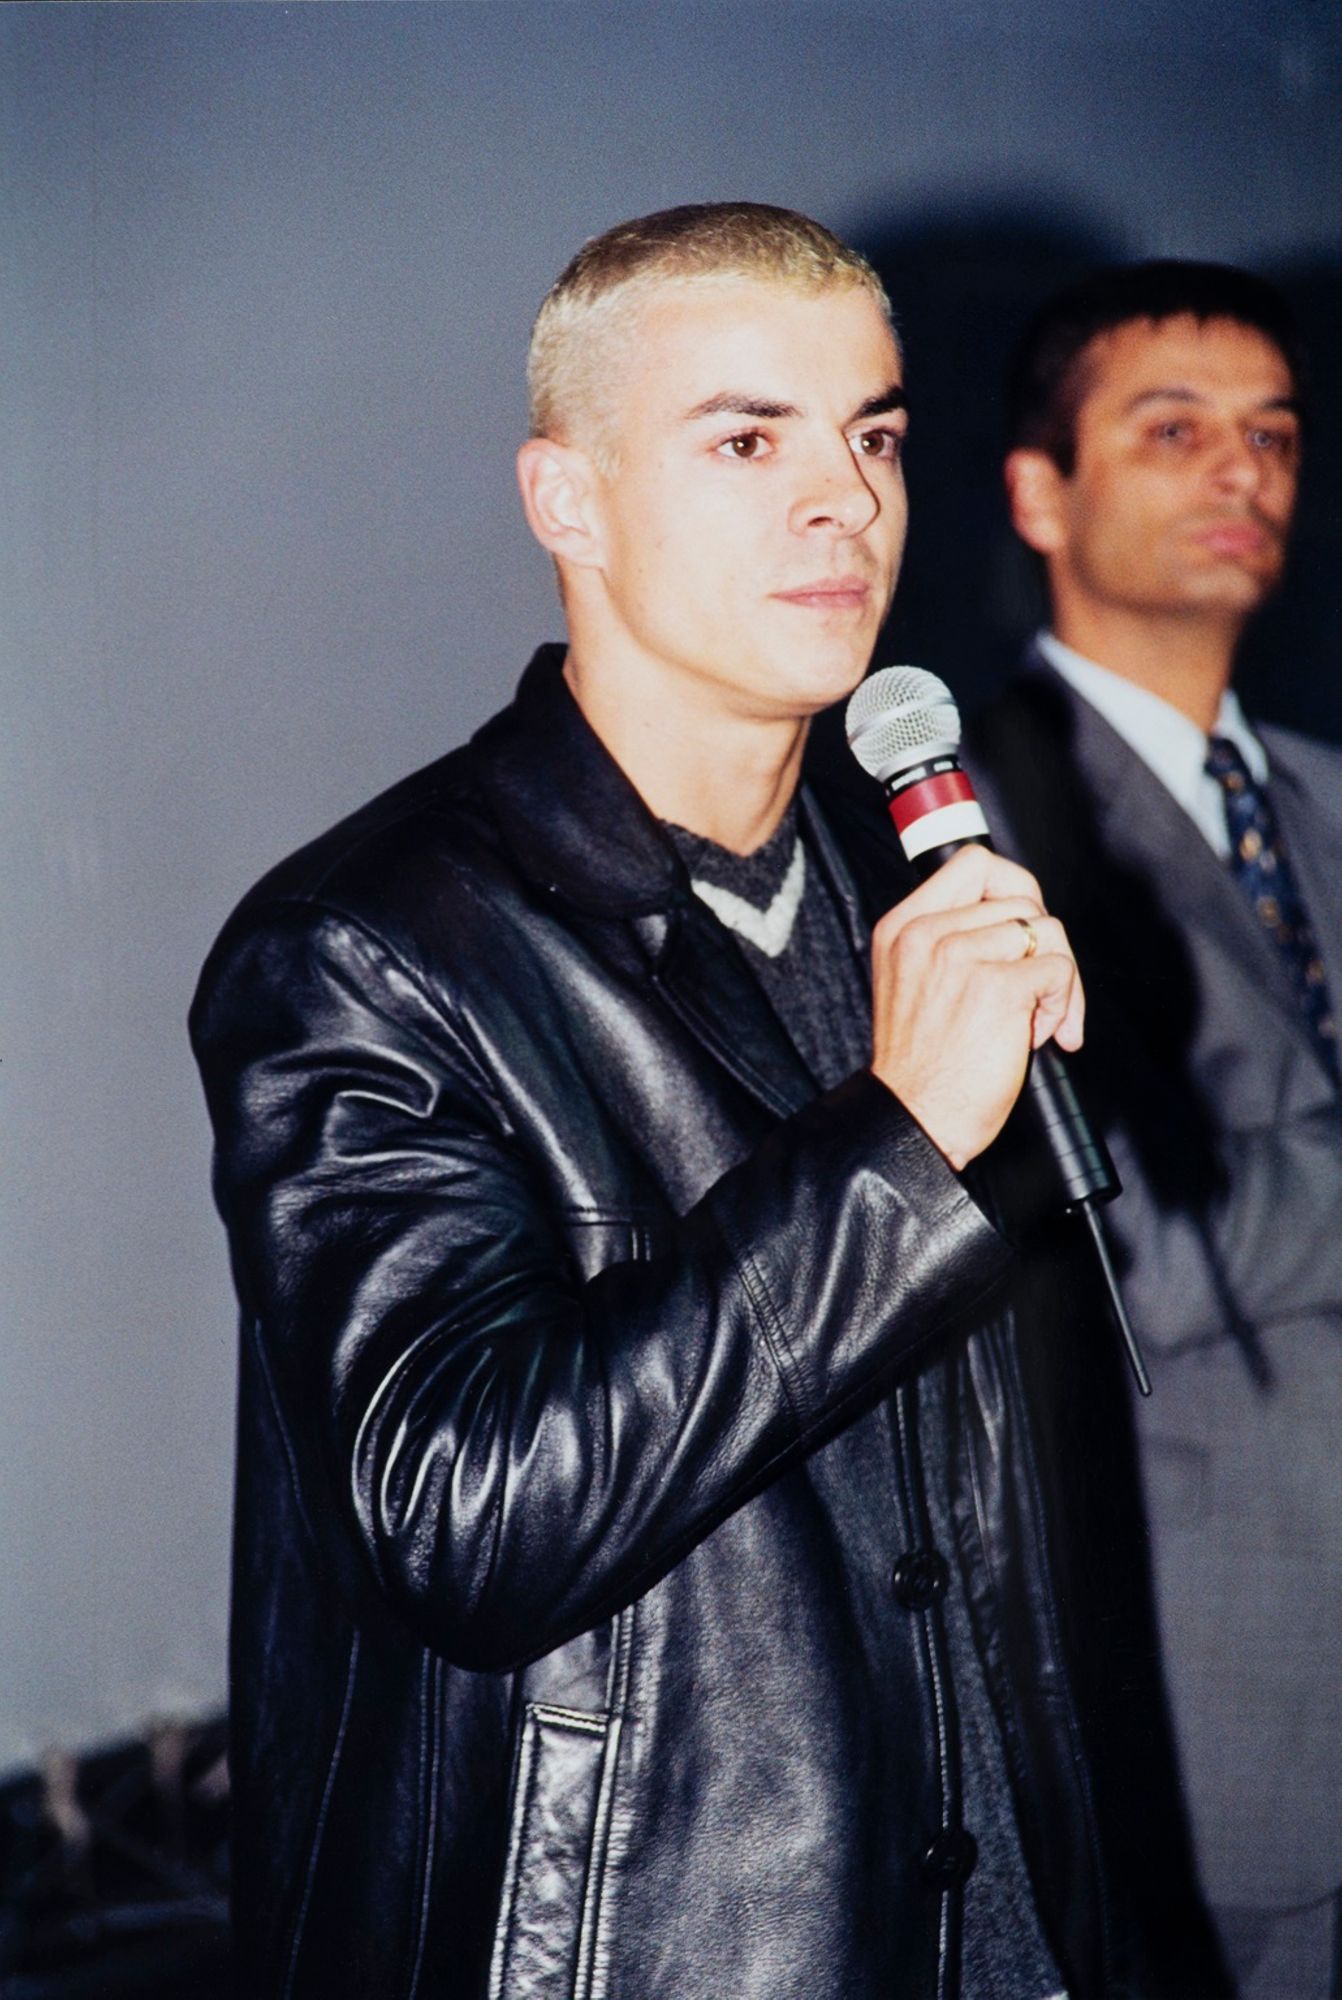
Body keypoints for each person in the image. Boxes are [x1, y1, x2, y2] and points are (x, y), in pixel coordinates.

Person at [191, 206, 1222, 2000]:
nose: (843, 502)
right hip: (654, 1948)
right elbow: (467, 1520)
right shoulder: (366, 948)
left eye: (872, 437)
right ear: (566, 501)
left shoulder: (906, 880)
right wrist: (899, 1139)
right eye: (748, 443)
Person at [965, 260, 1342, 2000]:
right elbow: (1095, 1242)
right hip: (1212, 1710)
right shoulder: (965, 825)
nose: (1240, 471)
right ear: (1038, 493)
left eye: (1273, 434)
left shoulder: (1326, 799)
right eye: (1173, 431)